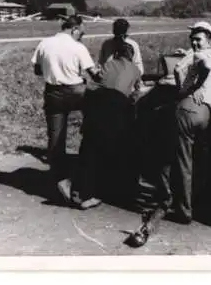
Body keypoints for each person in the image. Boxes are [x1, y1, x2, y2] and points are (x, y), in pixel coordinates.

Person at [127, 21, 211, 247]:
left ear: (209, 40)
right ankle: (190, 197)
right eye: (192, 38)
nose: (194, 41)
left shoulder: (202, 57)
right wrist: (206, 95)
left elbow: (195, 68)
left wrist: (187, 84)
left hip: (186, 112)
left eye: (198, 39)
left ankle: (182, 209)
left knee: (180, 161)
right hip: (204, 114)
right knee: (192, 156)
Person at [57, 42, 142, 209]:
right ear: (131, 56)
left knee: (90, 146)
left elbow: (98, 79)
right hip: (115, 104)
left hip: (95, 101)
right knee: (115, 144)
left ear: (116, 54)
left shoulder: (108, 64)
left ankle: (77, 190)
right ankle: (102, 191)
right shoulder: (135, 69)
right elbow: (136, 92)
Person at [31, 15, 99, 186]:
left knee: (55, 135)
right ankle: (89, 161)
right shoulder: (78, 47)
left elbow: (37, 70)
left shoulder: (44, 43)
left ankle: (57, 176)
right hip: (76, 91)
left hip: (53, 92)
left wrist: (54, 70)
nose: (81, 36)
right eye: (81, 33)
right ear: (74, 29)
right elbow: (94, 74)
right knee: (93, 123)